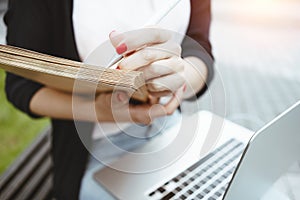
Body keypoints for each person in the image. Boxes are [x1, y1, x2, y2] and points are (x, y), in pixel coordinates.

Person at [4, 0, 213, 199]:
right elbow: (21, 86)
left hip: (170, 131)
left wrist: (182, 77)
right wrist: (97, 110)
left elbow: (199, 45)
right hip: (95, 150)